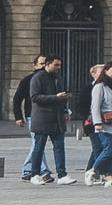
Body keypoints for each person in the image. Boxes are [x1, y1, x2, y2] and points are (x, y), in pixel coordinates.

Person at [23, 56, 76, 184]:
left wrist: (64, 108)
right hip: (42, 118)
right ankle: (35, 174)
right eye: (56, 65)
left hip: (57, 118)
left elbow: (60, 96)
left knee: (59, 147)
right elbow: (35, 97)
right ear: (47, 64)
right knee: (39, 147)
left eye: (59, 65)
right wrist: (55, 97)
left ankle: (62, 175)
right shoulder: (37, 78)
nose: (59, 68)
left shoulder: (58, 77)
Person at [12, 55, 52, 182]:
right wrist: (18, 116)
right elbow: (17, 99)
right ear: (34, 65)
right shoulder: (28, 80)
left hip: (47, 115)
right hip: (32, 116)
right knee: (37, 144)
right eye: (40, 64)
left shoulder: (51, 78)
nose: (42, 66)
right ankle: (44, 172)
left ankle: (27, 171)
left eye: (45, 63)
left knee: (37, 144)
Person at [89, 61, 112, 188]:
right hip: (105, 124)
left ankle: (109, 178)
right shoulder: (99, 87)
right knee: (109, 149)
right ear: (106, 72)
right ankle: (92, 171)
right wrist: (97, 122)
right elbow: (95, 106)